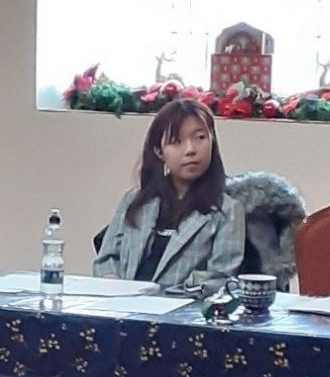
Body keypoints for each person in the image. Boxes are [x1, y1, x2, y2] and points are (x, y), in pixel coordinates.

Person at [93, 99, 245, 288]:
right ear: (159, 152)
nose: (190, 150)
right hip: (124, 307)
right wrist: (114, 285)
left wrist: (167, 295)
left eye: (200, 138)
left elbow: (220, 278)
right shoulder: (133, 201)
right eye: (176, 141)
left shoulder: (228, 210)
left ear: (212, 142)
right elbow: (105, 260)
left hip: (182, 312)